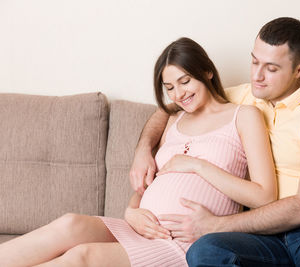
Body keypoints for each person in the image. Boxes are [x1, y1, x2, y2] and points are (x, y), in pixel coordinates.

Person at [0, 37, 277, 266]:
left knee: (83, 257)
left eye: (185, 81)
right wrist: (131, 210)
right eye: (169, 88)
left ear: (207, 72)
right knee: (69, 224)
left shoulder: (244, 116)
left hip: (181, 243)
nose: (179, 94)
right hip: (138, 227)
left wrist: (196, 165)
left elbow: (265, 196)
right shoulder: (174, 119)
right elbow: (151, 183)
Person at [130, 18, 300, 266]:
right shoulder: (246, 95)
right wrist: (143, 148)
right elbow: (173, 104)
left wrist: (217, 225)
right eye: (254, 61)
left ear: (299, 70)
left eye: (271, 68)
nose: (257, 76)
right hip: (264, 235)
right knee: (205, 251)